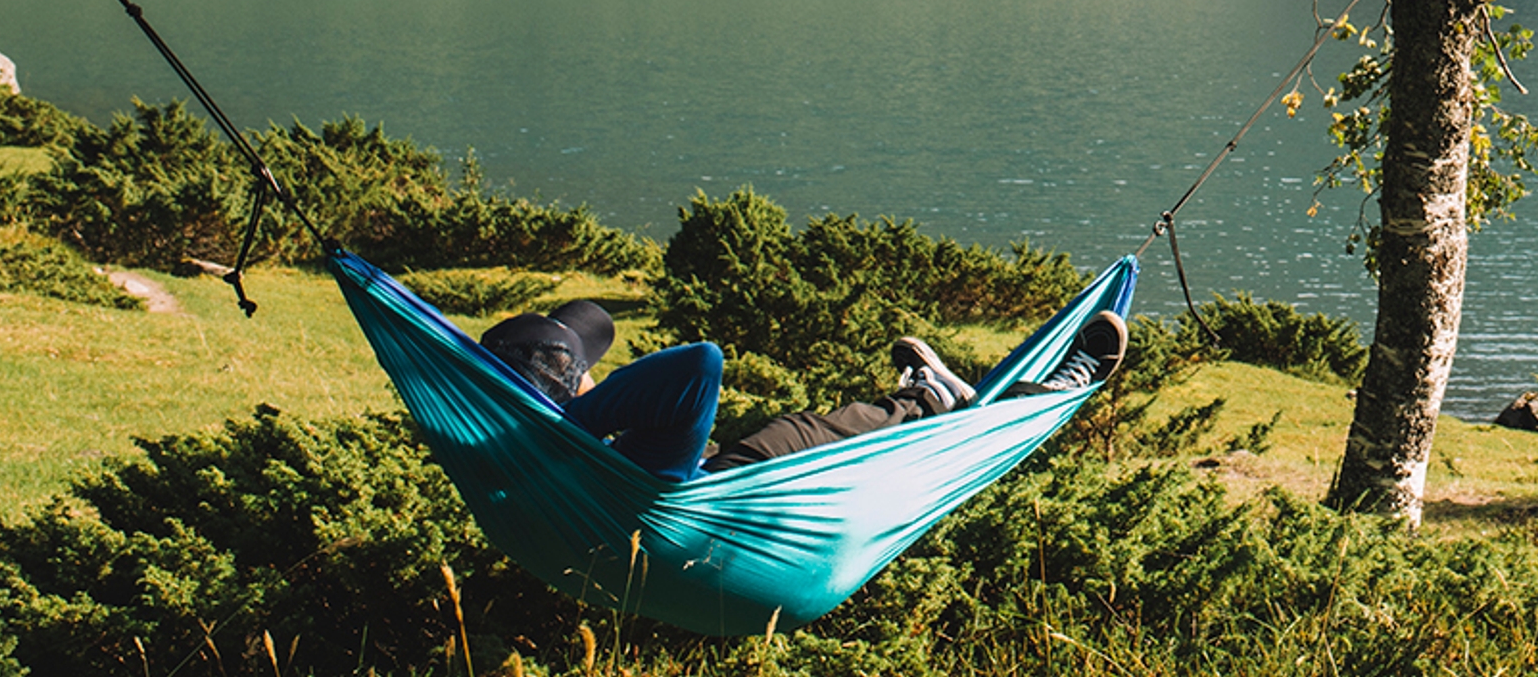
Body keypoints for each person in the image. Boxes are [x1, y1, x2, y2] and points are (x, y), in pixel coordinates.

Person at [478, 301, 1130, 481]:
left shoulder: (517, 467)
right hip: (708, 500)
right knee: (826, 433)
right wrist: (580, 422)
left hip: (708, 481)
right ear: (566, 386)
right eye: (584, 366)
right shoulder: (594, 447)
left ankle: (930, 397)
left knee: (834, 425)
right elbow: (700, 366)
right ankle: (999, 400)